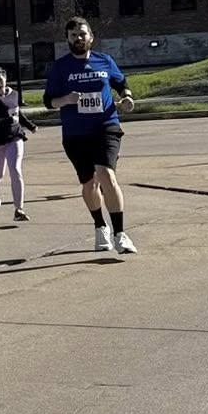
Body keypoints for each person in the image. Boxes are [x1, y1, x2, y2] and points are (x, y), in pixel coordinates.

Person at [42, 17, 137, 254]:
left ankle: (120, 234)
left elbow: (121, 83)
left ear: (91, 37)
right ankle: (100, 226)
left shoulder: (104, 61)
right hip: (76, 133)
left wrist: (127, 97)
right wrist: (66, 99)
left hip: (106, 125)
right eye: (73, 35)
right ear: (68, 40)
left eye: (82, 34)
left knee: (106, 174)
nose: (78, 39)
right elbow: (48, 101)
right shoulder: (60, 67)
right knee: (89, 182)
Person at [0, 68, 36, 221]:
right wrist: (4, 120)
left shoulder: (14, 94)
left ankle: (19, 210)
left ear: (5, 77)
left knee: (16, 170)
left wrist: (30, 125)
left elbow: (17, 113)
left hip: (14, 136)